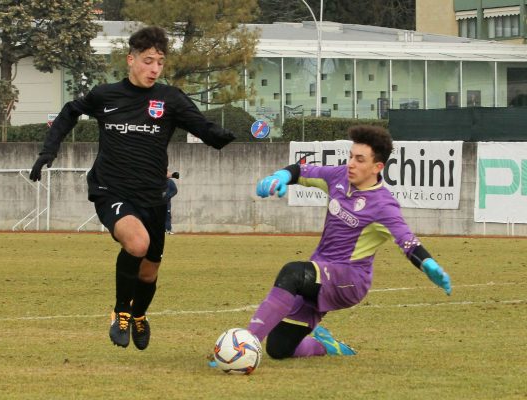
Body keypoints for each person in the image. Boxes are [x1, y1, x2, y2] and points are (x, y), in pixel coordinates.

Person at [29, 26, 235, 351]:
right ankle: (121, 311)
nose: (154, 68)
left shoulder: (170, 99)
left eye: (160, 62)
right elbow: (70, 111)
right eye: (148, 60)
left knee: (149, 272)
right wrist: (47, 152)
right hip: (110, 190)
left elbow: (205, 128)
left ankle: (139, 314)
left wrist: (231, 135)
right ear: (131, 59)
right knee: (137, 243)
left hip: (153, 196)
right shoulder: (105, 95)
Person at [247, 125, 452, 360]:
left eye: (360, 159)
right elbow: (301, 170)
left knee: (292, 272)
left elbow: (407, 241)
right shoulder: (338, 177)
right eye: (351, 156)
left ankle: (245, 344)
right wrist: (280, 176)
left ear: (377, 167)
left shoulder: (384, 206)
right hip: (319, 271)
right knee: (279, 349)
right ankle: (327, 347)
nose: (351, 163)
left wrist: (427, 263)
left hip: (349, 280)